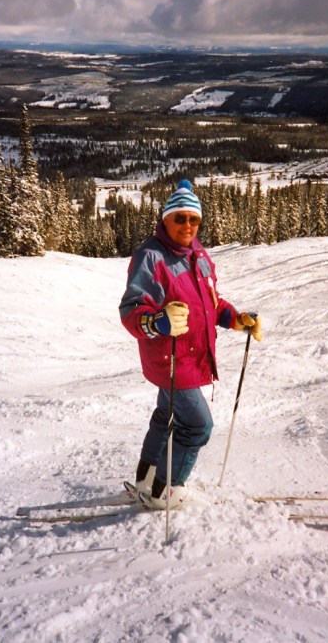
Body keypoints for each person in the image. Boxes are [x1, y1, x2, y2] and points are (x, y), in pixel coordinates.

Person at [119, 179, 261, 509]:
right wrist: (155, 322)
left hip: (192, 356)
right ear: (165, 219)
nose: (187, 225)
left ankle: (147, 479)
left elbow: (210, 303)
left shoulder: (199, 254)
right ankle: (165, 491)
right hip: (171, 359)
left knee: (166, 415)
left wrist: (236, 319)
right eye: (180, 218)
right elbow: (131, 309)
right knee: (198, 425)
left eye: (193, 219)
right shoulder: (151, 256)